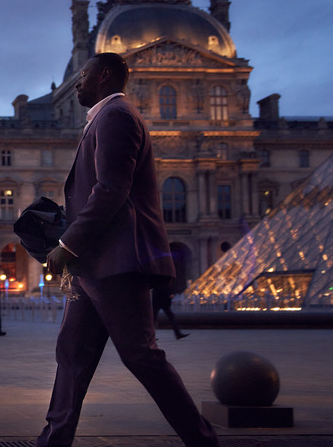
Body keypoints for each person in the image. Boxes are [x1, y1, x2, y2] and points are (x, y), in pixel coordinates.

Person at [36, 53, 218, 447]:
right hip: (95, 265)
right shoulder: (105, 118)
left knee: (140, 356)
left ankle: (203, 439)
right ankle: (53, 441)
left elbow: (111, 190)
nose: (76, 83)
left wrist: (67, 244)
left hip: (117, 263)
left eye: (82, 76)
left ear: (103, 76)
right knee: (71, 354)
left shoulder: (116, 116)